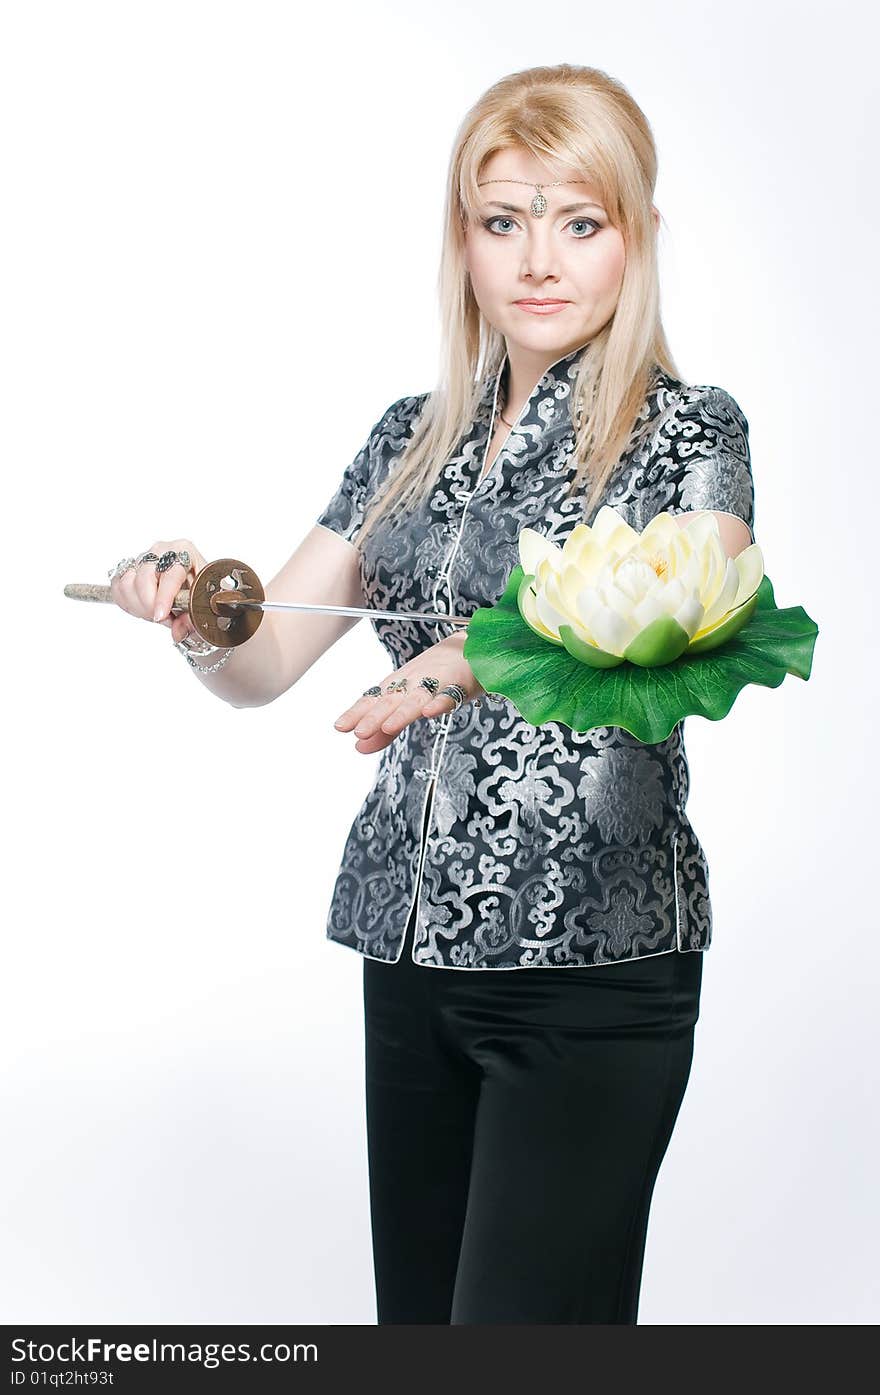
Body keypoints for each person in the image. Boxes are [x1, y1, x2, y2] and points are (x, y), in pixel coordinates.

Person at [108, 63, 755, 1324]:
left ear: (639, 236)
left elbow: (697, 605)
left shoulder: (690, 430)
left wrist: (471, 658)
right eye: (503, 220)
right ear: (461, 240)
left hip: (589, 962)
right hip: (407, 959)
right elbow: (268, 660)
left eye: (581, 220)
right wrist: (195, 612)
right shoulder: (409, 433)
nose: (538, 260)